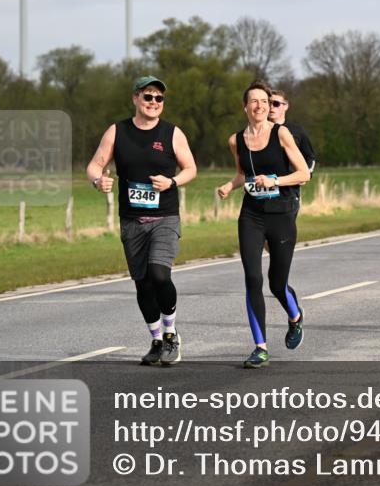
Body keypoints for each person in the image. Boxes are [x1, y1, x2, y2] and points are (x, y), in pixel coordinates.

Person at [86, 76, 197, 366]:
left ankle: (171, 334)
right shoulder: (117, 131)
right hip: (132, 220)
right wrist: (98, 181)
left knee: (160, 274)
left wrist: (172, 182)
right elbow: (95, 164)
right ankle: (156, 340)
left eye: (159, 98)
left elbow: (190, 168)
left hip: (165, 217)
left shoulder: (172, 133)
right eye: (148, 97)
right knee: (143, 284)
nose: (154, 103)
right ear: (135, 98)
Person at [217, 83, 311, 368]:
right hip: (251, 216)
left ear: (269, 106)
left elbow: (303, 173)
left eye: (264, 101)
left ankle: (295, 316)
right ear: (245, 106)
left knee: (276, 282)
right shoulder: (236, 140)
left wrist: (275, 181)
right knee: (253, 279)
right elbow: (243, 175)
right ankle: (260, 347)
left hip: (281, 214)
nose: (259, 106)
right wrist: (229, 186)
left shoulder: (280, 133)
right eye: (253, 101)